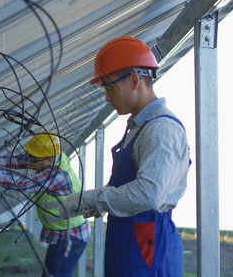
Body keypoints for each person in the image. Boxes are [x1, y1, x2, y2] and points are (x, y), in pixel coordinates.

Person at [59, 36, 191, 276]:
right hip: (130, 237)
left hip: (148, 243)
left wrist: (90, 200)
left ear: (133, 80)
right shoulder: (139, 126)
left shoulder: (161, 129)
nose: (107, 97)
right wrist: (96, 205)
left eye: (110, 87)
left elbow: (148, 194)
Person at [0, 132, 90, 277]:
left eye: (34, 157)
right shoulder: (50, 157)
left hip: (72, 234)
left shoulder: (58, 175)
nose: (30, 160)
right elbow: (18, 161)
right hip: (62, 232)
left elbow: (23, 184)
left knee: (57, 274)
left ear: (50, 160)